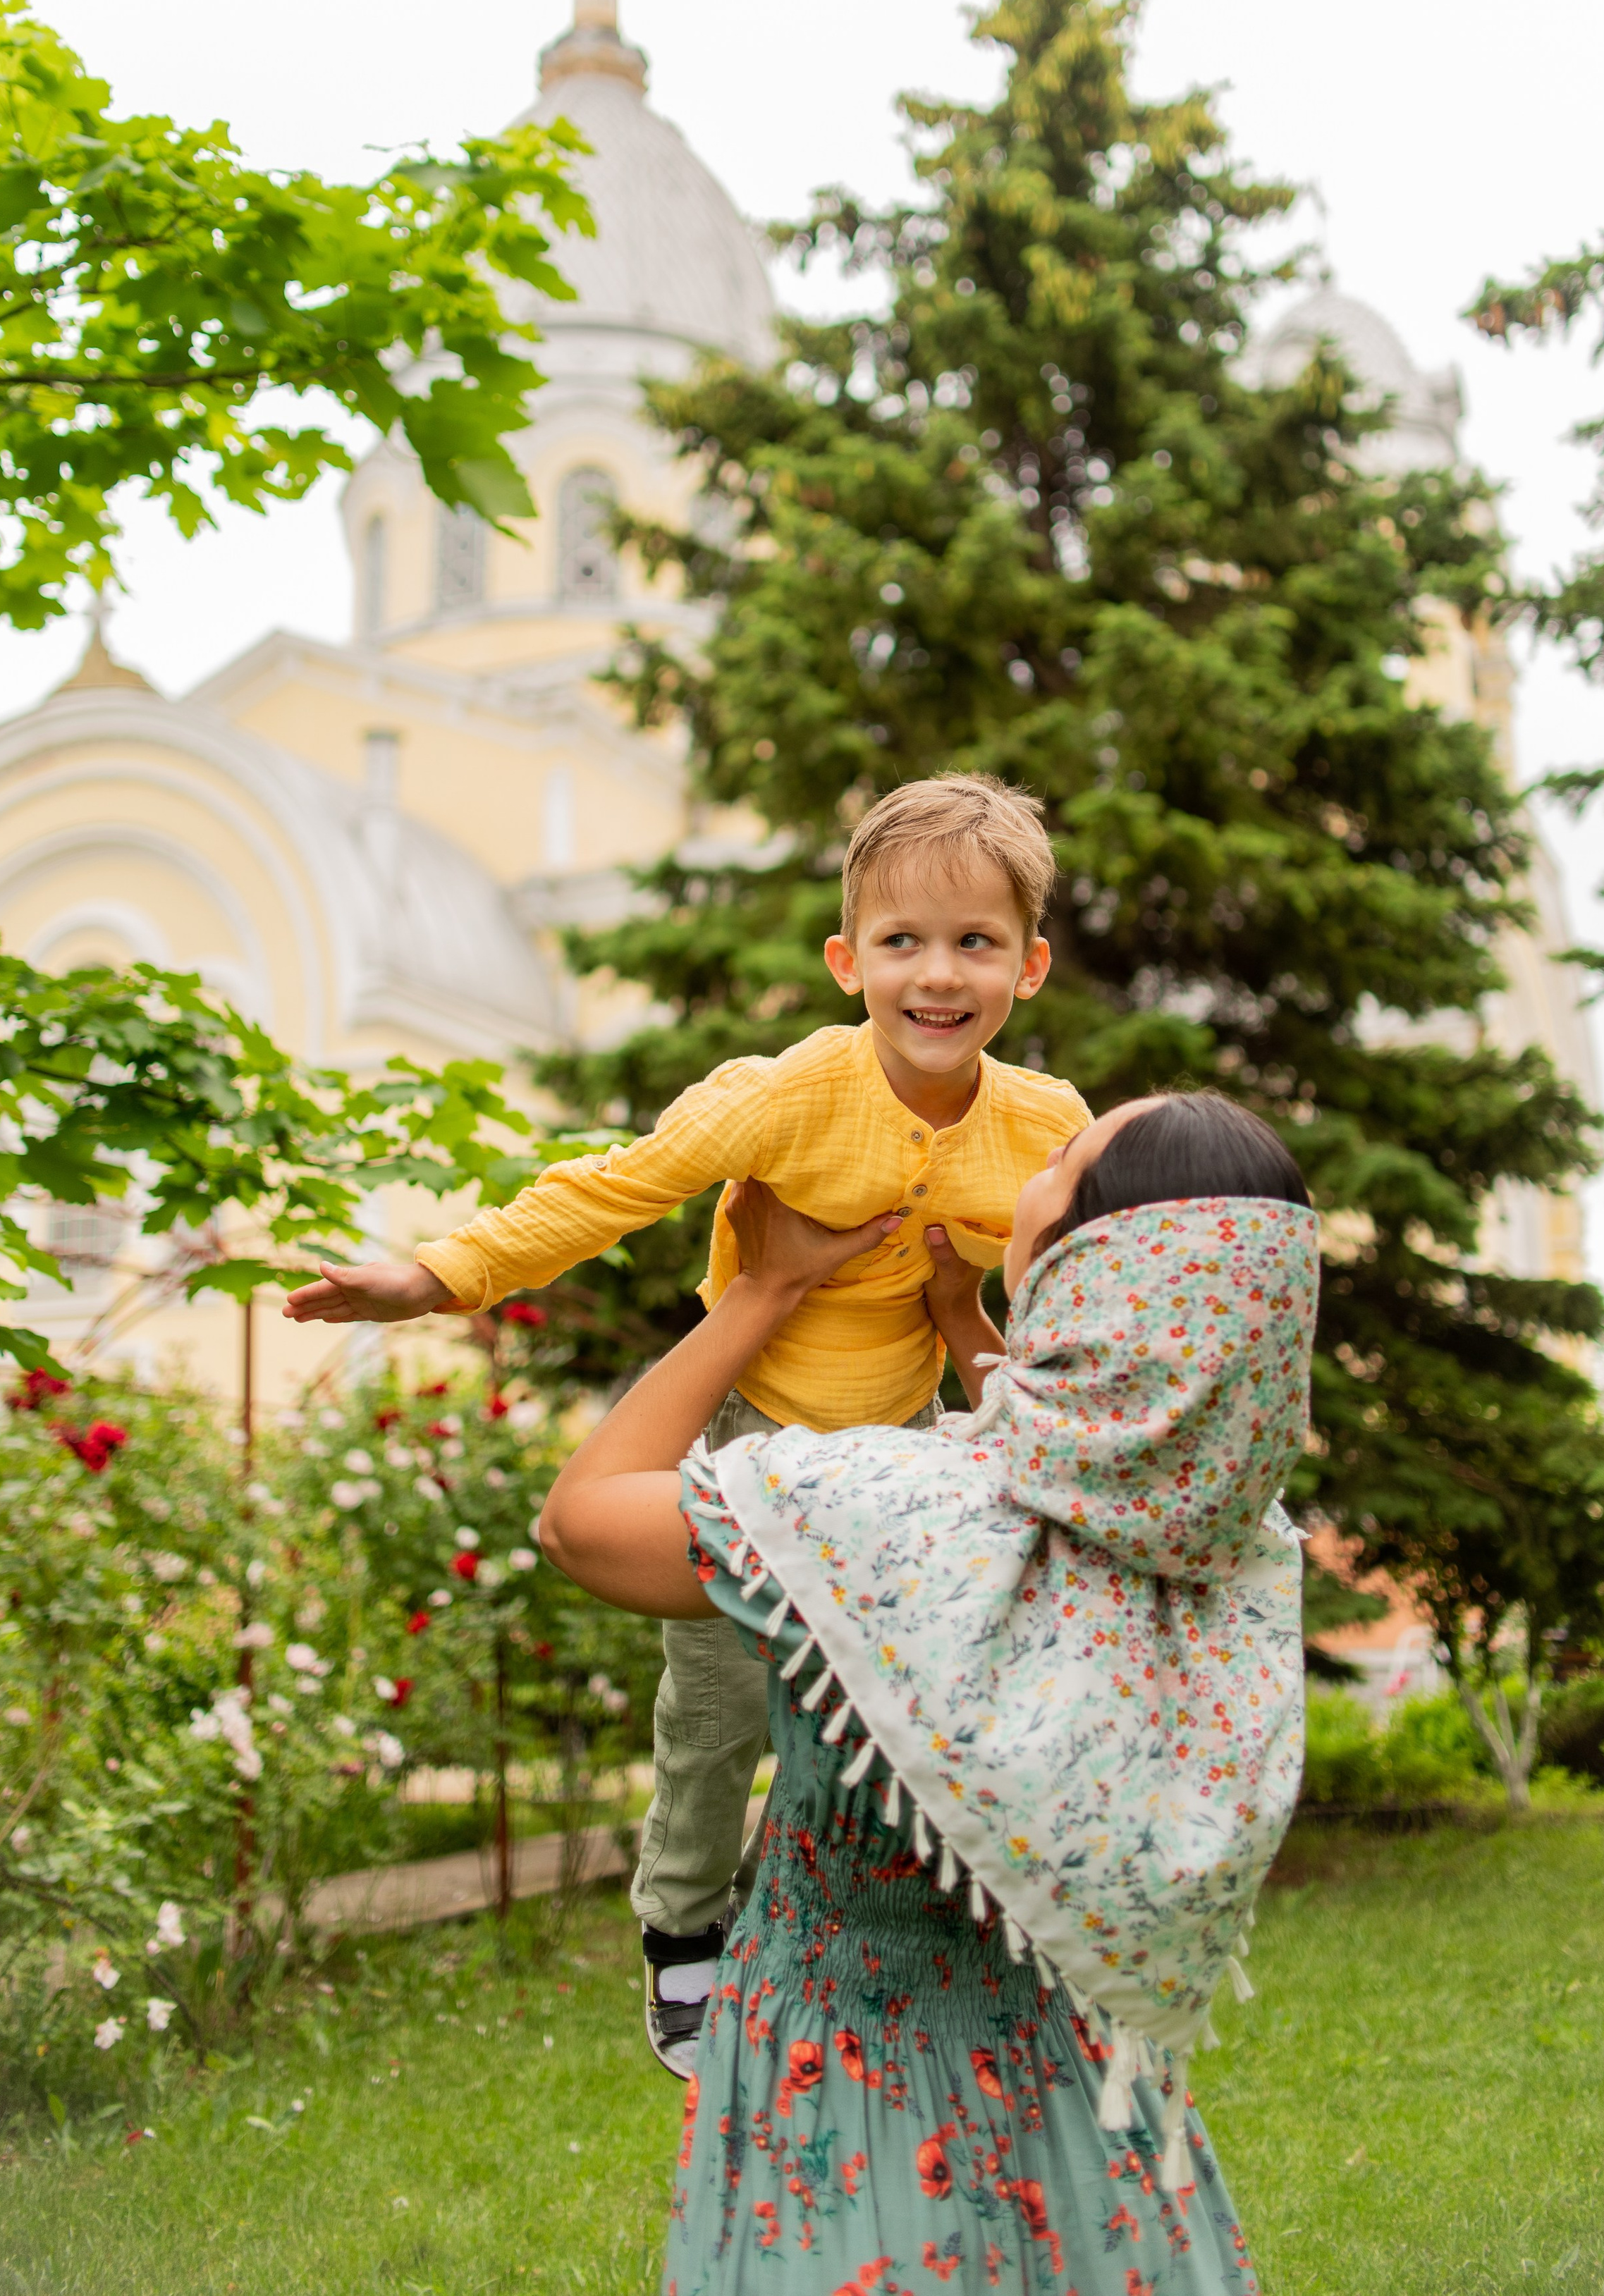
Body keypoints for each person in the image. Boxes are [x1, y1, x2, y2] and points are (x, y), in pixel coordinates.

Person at [282, 773, 1091, 2072]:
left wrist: (989, 1334)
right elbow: (614, 1188)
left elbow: (1088, 1283)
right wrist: (436, 1276)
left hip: (906, 1442)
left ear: (1030, 966)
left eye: (975, 943)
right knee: (717, 1713)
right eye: (902, 942)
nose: (937, 974)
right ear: (847, 961)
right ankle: (679, 1928)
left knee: (879, 1710)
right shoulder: (781, 1096)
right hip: (746, 1428)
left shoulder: (1050, 1127)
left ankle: (824, 1908)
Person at [542, 1088, 1321, 2292]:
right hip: (1084, 2120)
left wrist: (766, 1290)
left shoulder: (873, 1514)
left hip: (843, 2102)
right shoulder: (1234, 1546)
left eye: (1060, 1160)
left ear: (1087, 1259)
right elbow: (1063, 1455)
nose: (1029, 1163)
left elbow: (583, 1524)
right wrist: (963, 1315)